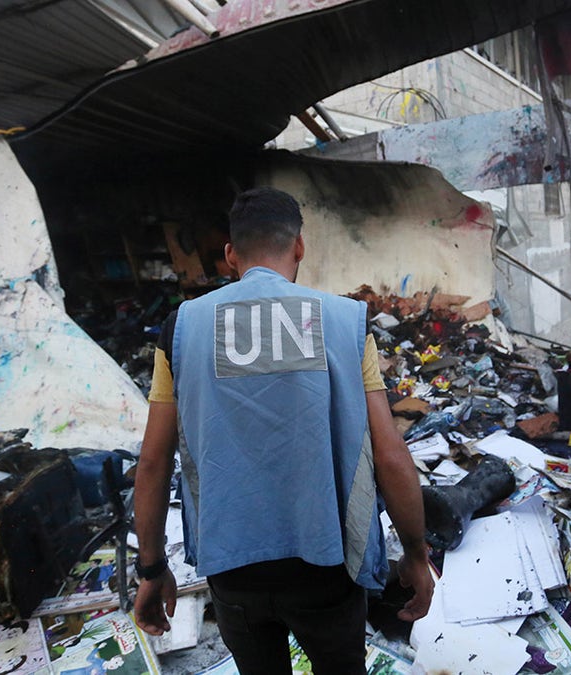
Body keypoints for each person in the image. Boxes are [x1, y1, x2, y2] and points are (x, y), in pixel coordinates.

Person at [132, 187, 433, 674]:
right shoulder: (345, 322)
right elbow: (391, 455)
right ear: (299, 247)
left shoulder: (181, 328)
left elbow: (152, 462)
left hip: (234, 574)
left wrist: (151, 569)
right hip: (326, 570)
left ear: (230, 255)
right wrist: (416, 554)